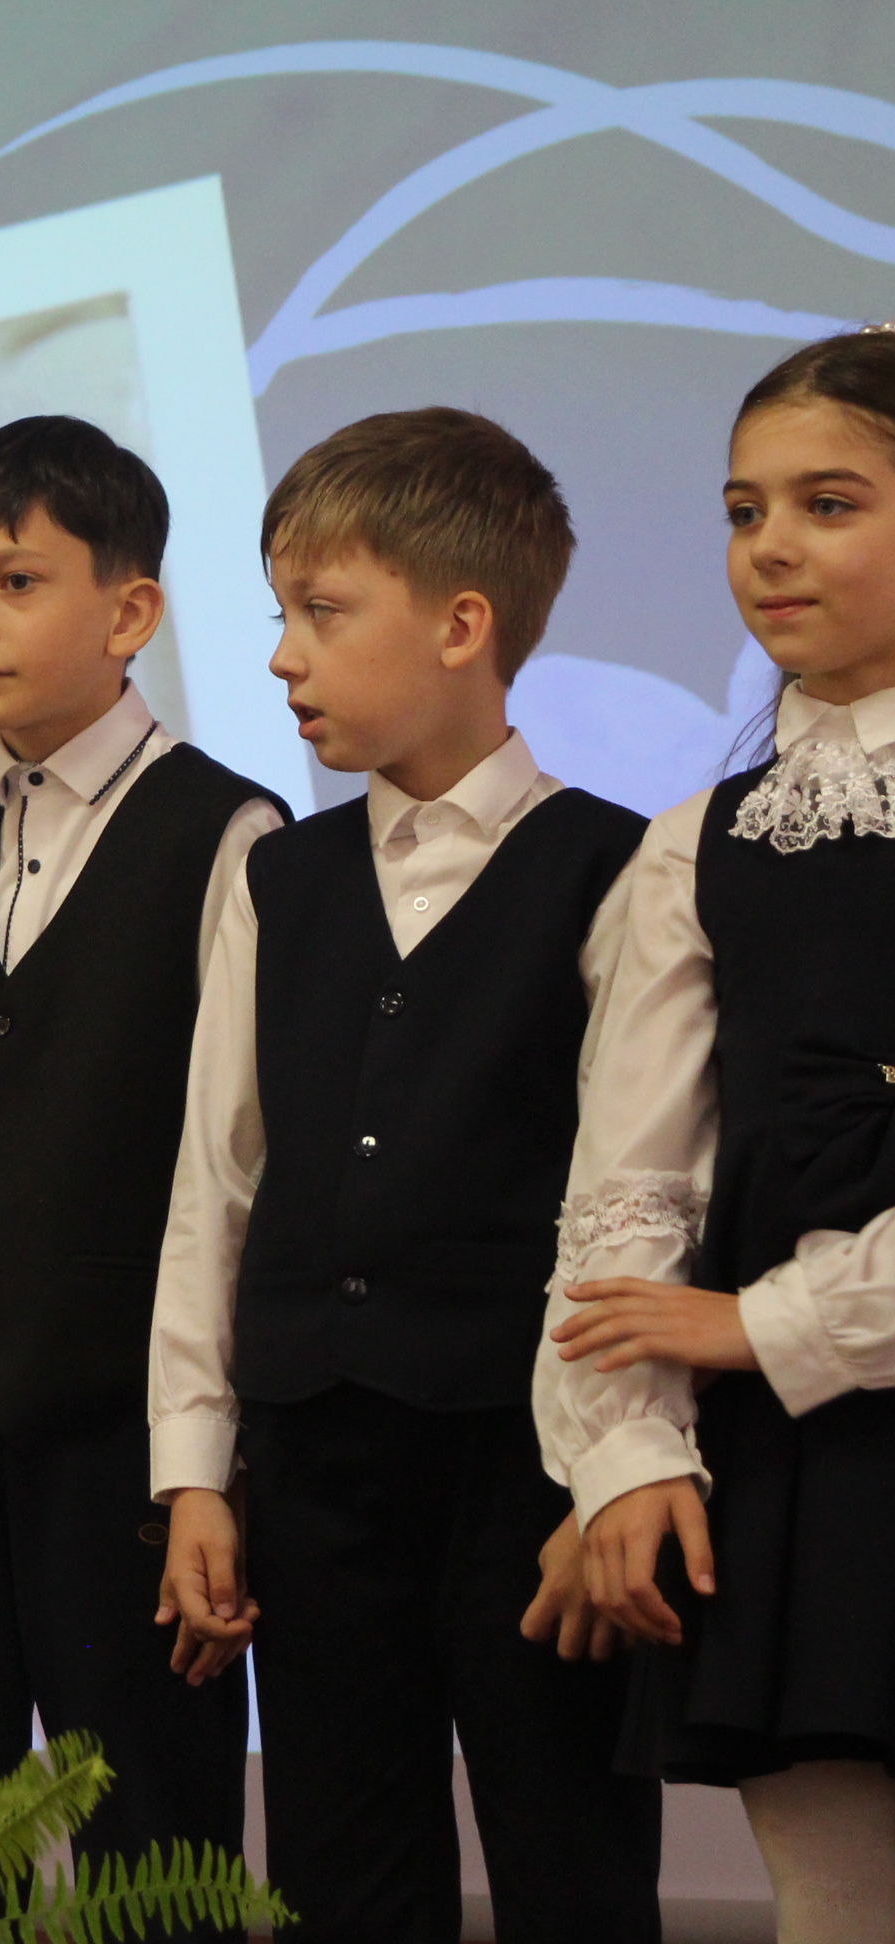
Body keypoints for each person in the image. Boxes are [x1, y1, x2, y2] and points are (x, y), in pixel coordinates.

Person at [147, 409, 658, 1942]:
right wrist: (197, 1466)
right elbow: (218, 1186)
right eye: (279, 616)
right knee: (342, 1873)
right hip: (315, 1459)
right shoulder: (278, 877)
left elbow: (640, 1198)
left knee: (568, 1861)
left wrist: (612, 1471)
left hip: (523, 1463)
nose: (283, 658)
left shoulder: (618, 869)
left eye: (322, 612)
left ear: (461, 625)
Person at [0, 417, 283, 1911]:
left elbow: (225, 1178)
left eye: (15, 583)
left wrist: (205, 1468)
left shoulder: (229, 831)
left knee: (154, 1852)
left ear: (130, 610)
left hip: (114, 1439)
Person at [542, 327, 895, 1944]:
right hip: (797, 1471)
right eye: (744, 510)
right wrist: (623, 1454)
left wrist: (767, 1322)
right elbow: (627, 1184)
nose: (771, 547)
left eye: (830, 503)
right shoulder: (701, 842)